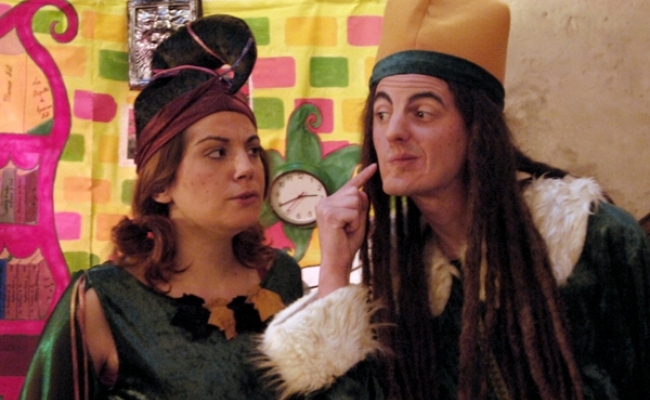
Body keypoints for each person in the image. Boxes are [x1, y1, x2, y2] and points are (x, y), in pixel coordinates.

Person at [258, 0, 650, 399]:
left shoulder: (594, 241)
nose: (393, 132)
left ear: (478, 129)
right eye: (381, 113)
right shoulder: (402, 281)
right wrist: (335, 272)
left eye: (422, 113)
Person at [19, 14, 306, 399]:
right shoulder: (105, 301)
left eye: (253, 149)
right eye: (217, 152)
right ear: (161, 184)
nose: (246, 168)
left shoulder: (283, 279)